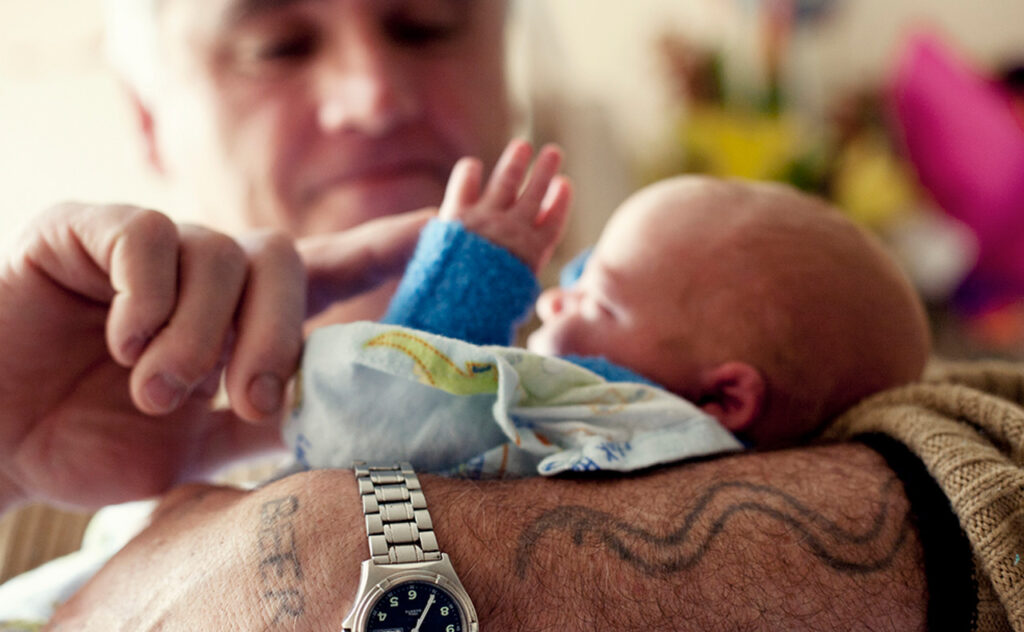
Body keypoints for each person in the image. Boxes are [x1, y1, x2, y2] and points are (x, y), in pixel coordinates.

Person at [0, 0, 988, 629]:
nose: (371, 94)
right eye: (274, 44)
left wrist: (347, 537)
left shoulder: (843, 378)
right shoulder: (40, 488)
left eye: (425, 24)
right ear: (145, 114)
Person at [290, 139, 930, 476]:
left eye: (595, 297)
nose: (547, 298)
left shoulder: (643, 427)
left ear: (724, 400)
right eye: (571, 276)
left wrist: (466, 285)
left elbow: (377, 419)